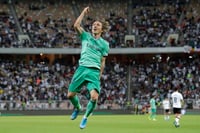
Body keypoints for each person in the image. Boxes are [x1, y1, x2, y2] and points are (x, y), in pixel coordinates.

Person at [67, 6, 110, 129]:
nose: (94, 26)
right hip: (82, 68)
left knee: (94, 97)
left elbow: (103, 62)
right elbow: (76, 26)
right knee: (70, 95)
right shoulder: (85, 36)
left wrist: (99, 76)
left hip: (94, 71)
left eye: (97, 25)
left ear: (101, 29)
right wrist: (83, 13)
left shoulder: (105, 44)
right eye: (93, 25)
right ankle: (77, 107)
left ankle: (85, 117)